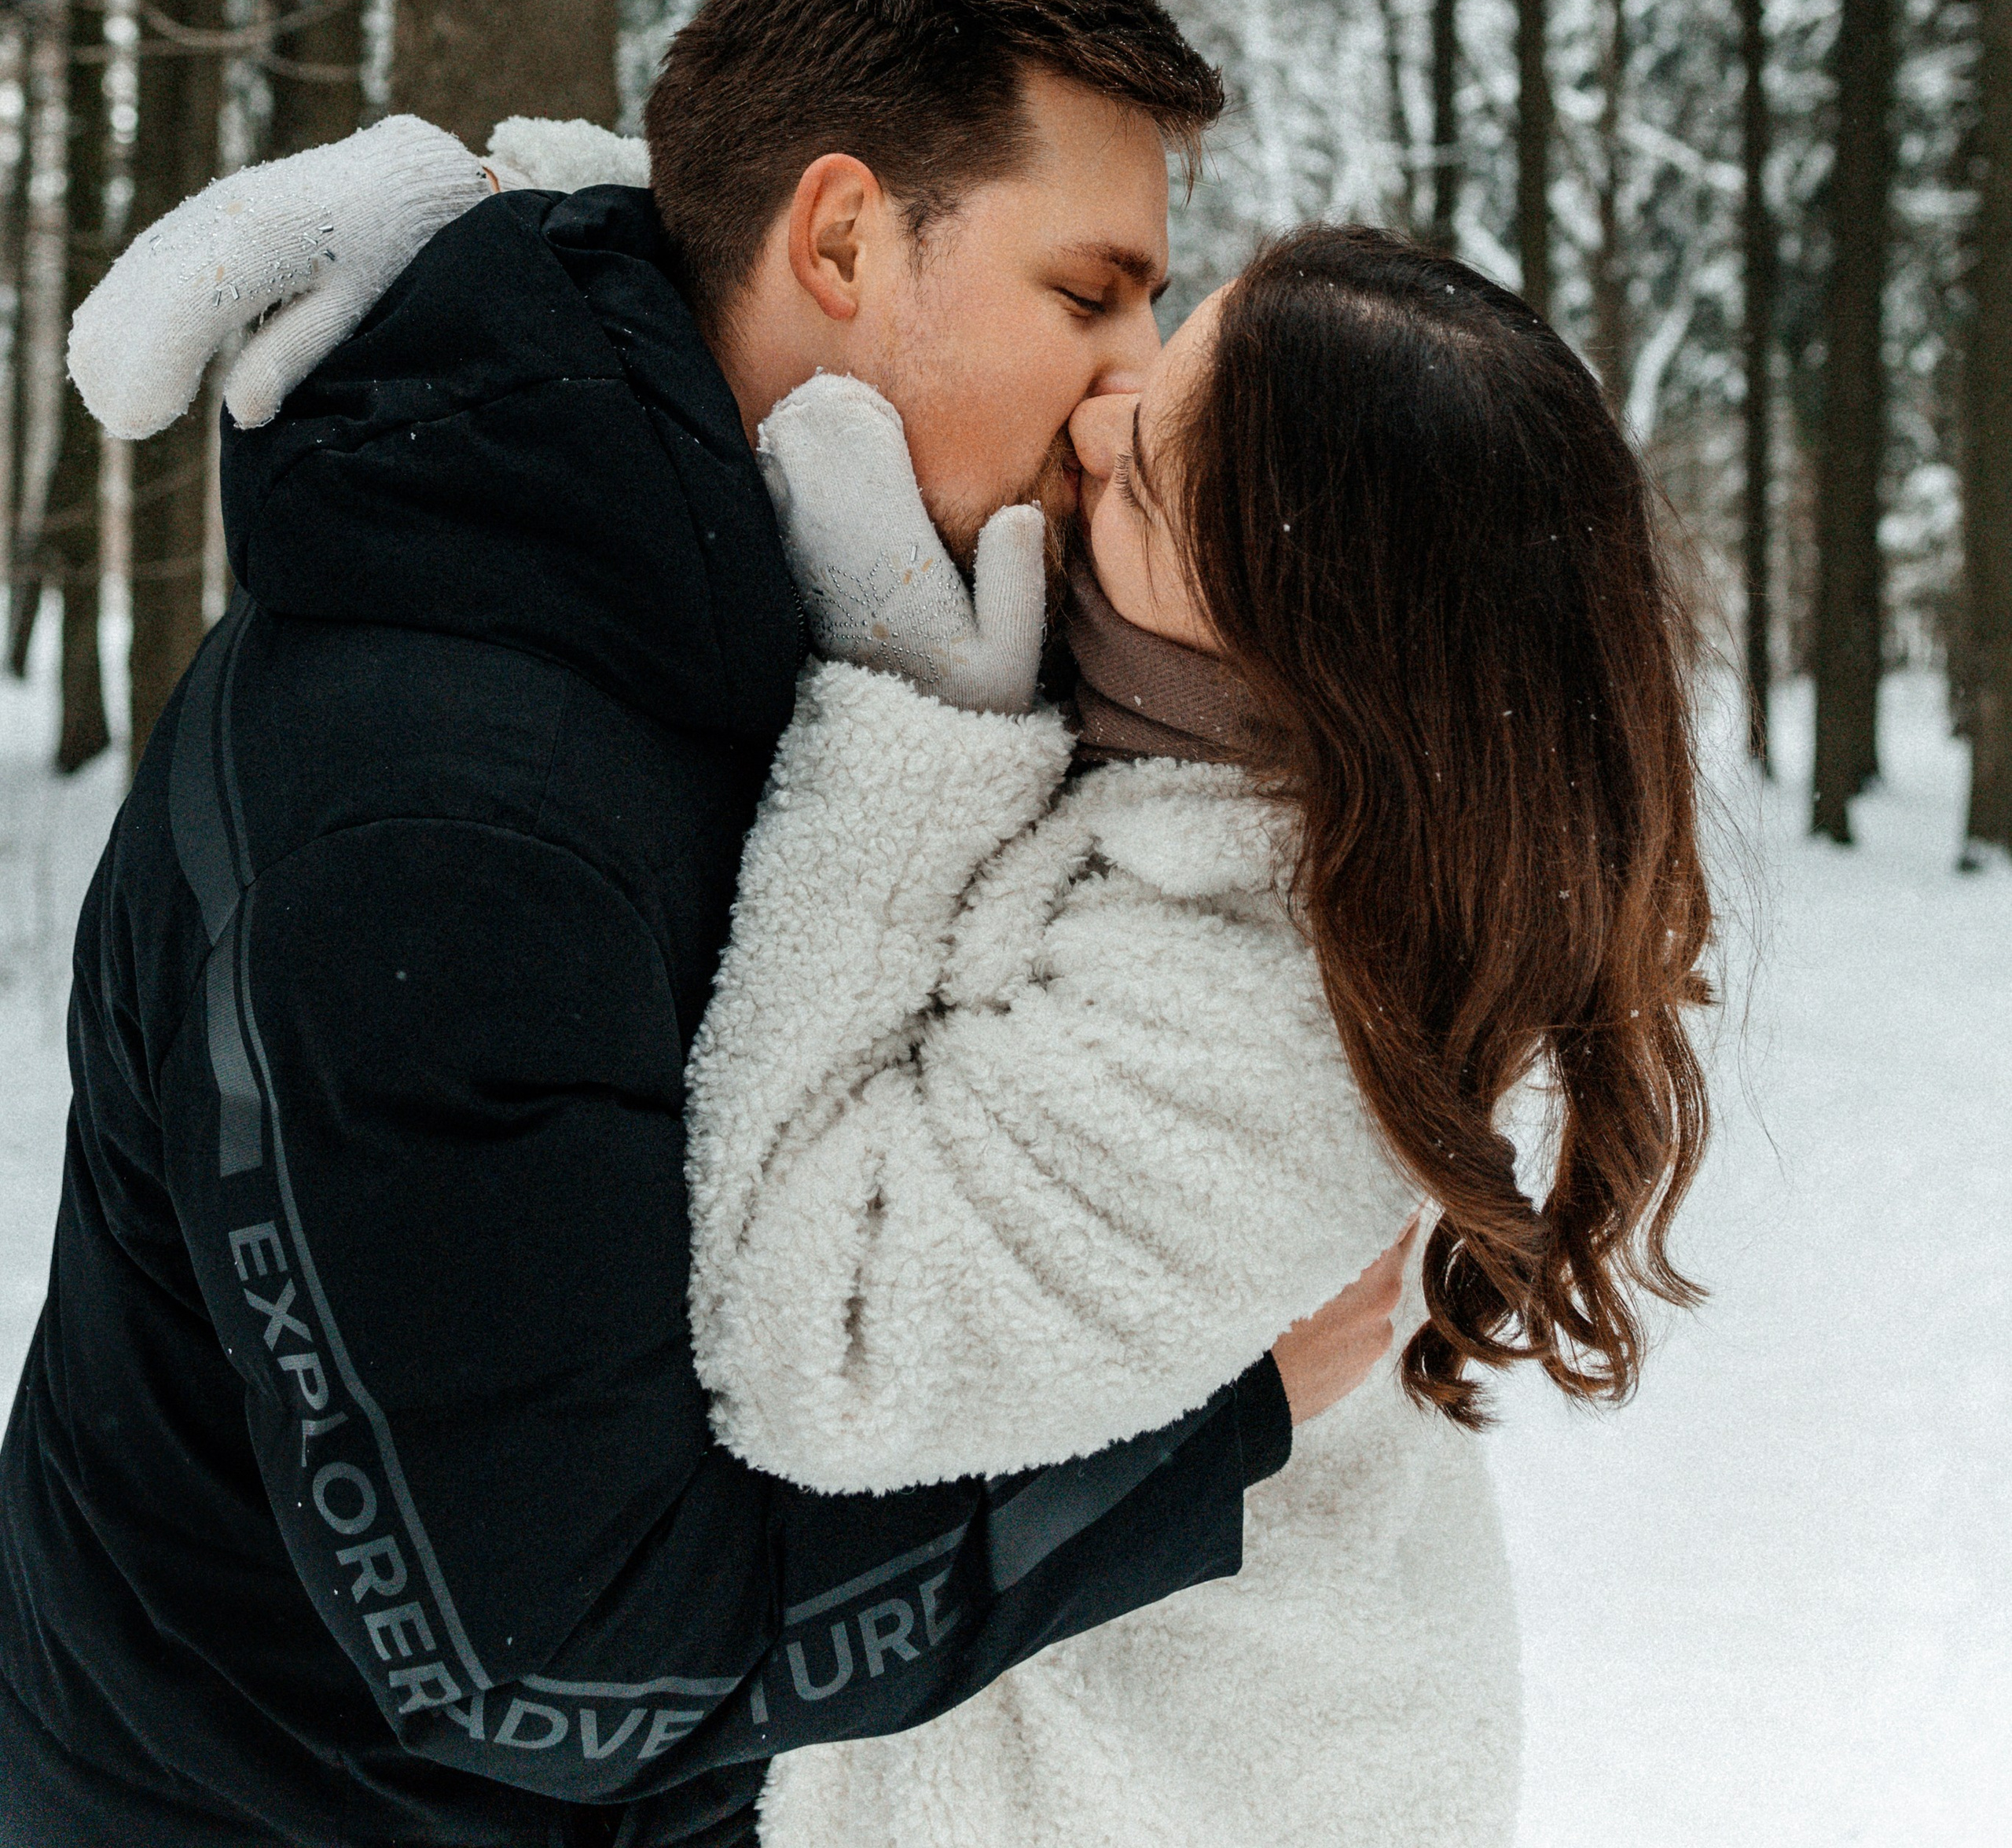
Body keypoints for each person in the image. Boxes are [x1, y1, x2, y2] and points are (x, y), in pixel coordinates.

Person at [0, 0, 1403, 1848]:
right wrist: (1199, 1438)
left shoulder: (785, 568)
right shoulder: (432, 813)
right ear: (837, 240)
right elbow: (553, 1656)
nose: (1127, 382)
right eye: (1088, 292)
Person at [666, 228, 1714, 1846]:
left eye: (1150, 478)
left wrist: (905, 726)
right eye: (1159, 366)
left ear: (1305, 642)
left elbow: (815, 1346)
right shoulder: (1246, 785)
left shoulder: (1268, 1026)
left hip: (1166, 1795)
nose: (1095, 424)